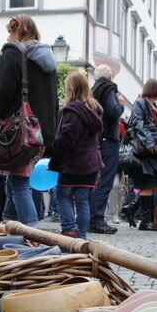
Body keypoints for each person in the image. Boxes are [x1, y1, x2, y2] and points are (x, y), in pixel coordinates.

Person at [0, 14, 58, 227]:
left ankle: (32, 233)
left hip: (18, 131)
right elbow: (53, 101)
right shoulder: (46, 57)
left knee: (18, 183)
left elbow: (1, 95)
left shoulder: (13, 53)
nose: (7, 37)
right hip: (38, 132)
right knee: (13, 182)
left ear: (18, 31)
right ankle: (9, 225)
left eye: (9, 31)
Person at [48, 70, 104, 238]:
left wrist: (50, 149)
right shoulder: (93, 110)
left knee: (63, 196)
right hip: (90, 163)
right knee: (82, 200)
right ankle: (82, 235)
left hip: (73, 163)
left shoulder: (73, 112)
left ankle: (70, 229)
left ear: (70, 88)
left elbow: (67, 139)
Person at [127, 79, 157, 231]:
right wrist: (149, 142)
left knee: (156, 183)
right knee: (149, 183)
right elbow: (138, 124)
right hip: (147, 150)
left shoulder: (154, 106)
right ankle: (145, 220)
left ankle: (131, 208)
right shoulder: (141, 103)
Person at [89, 64, 125, 235]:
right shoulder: (109, 88)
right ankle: (97, 220)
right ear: (110, 77)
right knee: (105, 181)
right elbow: (113, 111)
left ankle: (91, 218)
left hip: (96, 140)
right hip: (108, 140)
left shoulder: (93, 90)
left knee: (96, 181)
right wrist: (121, 105)